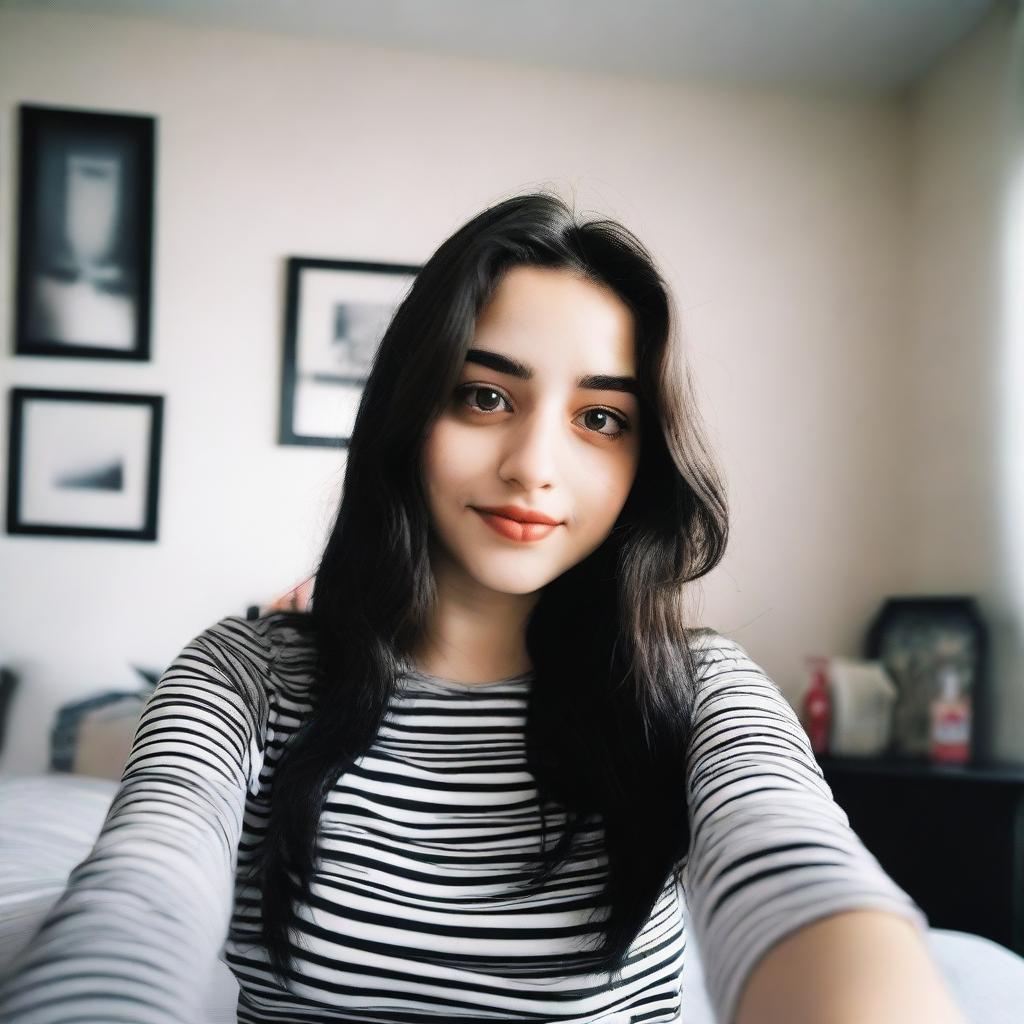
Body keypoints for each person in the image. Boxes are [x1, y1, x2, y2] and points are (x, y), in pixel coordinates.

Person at [0, 192, 964, 1024]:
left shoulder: (696, 688)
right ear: (410, 410)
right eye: (484, 396)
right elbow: (141, 888)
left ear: (646, 457)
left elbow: (801, 874)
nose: (535, 466)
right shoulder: (243, 674)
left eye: (601, 418)